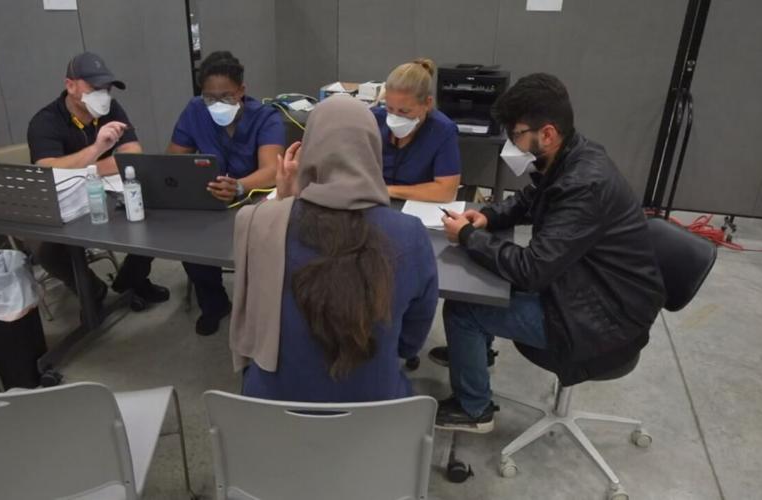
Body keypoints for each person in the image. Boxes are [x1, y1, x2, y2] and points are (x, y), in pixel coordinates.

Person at [436, 73, 666, 433]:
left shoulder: (584, 185)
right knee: (485, 279)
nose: (511, 144)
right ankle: (473, 356)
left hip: (604, 320)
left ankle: (474, 410)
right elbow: (531, 199)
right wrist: (487, 217)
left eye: (516, 135)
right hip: (590, 287)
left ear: (547, 134)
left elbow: (532, 270)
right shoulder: (571, 157)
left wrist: (467, 236)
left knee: (464, 308)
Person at [230, 96, 438, 402]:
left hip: (272, 415)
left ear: (310, 149)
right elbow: (410, 343)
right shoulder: (411, 234)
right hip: (374, 416)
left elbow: (253, 321)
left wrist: (284, 201)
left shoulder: (257, 221)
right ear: (372, 150)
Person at [27, 52, 170, 308]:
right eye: (94, 88)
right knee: (47, 251)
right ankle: (92, 291)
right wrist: (96, 149)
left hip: (102, 192)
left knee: (151, 218)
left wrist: (83, 168)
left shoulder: (111, 109)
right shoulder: (45, 122)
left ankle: (131, 280)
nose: (102, 96)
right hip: (62, 203)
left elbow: (132, 155)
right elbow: (48, 172)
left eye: (106, 89)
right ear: (70, 85)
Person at [166, 51, 285, 335]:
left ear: (241, 91)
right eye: (210, 97)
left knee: (264, 252)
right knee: (191, 243)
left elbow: (271, 170)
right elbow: (173, 160)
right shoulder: (195, 111)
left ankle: (260, 310)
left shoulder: (266, 118)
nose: (217, 104)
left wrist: (240, 186)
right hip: (211, 200)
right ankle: (214, 303)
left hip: (254, 203)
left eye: (227, 97)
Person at [373, 58, 461, 203]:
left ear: (427, 103)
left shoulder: (442, 130)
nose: (395, 117)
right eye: (390, 108)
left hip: (415, 206)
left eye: (404, 111)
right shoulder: (375, 119)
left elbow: (445, 191)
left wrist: (386, 190)